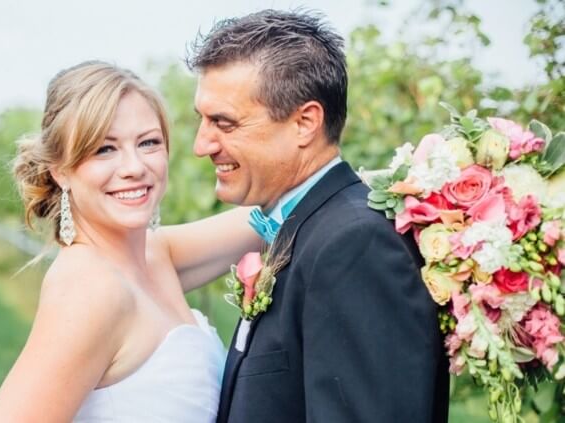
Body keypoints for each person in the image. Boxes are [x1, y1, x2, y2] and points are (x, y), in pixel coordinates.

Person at [187, 9, 450, 422]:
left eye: (224, 123)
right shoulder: (308, 229)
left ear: (305, 123)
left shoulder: (355, 245)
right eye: (202, 120)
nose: (202, 145)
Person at [0, 61, 262, 422]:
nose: (134, 166)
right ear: (61, 171)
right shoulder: (89, 288)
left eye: (148, 142)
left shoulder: (154, 255)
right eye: (105, 149)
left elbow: (267, 218)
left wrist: (353, 183)